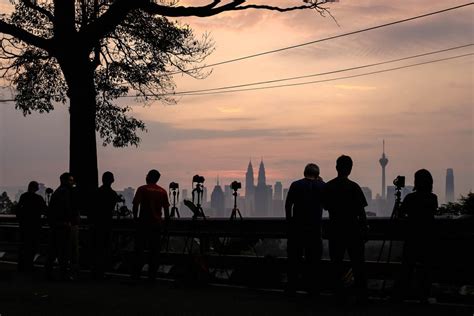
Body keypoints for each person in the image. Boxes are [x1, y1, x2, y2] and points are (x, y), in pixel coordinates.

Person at [323, 155, 369, 304]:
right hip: (353, 230)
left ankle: (338, 294)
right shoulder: (354, 187)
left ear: (336, 167)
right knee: (358, 263)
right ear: (350, 169)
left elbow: (325, 206)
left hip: (335, 229)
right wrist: (365, 228)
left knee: (336, 263)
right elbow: (361, 213)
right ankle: (361, 295)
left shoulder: (328, 187)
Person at [394, 169, 438, 301]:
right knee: (426, 269)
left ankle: (402, 294)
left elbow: (400, 215)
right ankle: (423, 296)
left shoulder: (410, 198)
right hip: (427, 238)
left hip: (412, 237)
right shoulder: (433, 198)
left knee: (407, 267)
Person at [285, 163, 325, 295]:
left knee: (294, 258)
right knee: (313, 259)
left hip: (297, 228)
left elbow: (288, 205)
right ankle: (312, 288)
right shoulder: (322, 186)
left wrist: (289, 221)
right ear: (317, 174)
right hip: (314, 228)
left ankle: (292, 286)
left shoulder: (295, 185)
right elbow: (326, 205)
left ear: (304, 172)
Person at [131, 169, 170, 281]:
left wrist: (135, 219)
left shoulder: (142, 189)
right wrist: (166, 226)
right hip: (157, 226)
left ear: (148, 177)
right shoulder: (163, 191)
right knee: (154, 253)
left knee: (139, 251)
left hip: (143, 224)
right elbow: (166, 211)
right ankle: (151, 278)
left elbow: (135, 205)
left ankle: (136, 277)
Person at [46, 172, 79, 280]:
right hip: (64, 225)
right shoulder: (65, 192)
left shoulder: (57, 192)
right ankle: (63, 274)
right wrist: (69, 221)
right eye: (70, 180)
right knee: (64, 251)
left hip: (56, 225)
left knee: (54, 250)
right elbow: (67, 208)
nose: (72, 182)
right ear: (65, 181)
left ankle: (50, 273)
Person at [90, 171, 121, 279]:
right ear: (112, 180)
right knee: (105, 248)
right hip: (107, 224)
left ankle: (95, 270)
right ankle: (101, 271)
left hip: (97, 224)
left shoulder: (97, 192)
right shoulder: (113, 194)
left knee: (96, 248)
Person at [16, 181, 47, 275]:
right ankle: (29, 265)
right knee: (32, 247)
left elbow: (18, 210)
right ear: (35, 188)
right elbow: (45, 210)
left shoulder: (23, 196)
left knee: (24, 246)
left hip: (25, 226)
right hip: (35, 226)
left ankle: (21, 266)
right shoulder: (38, 198)